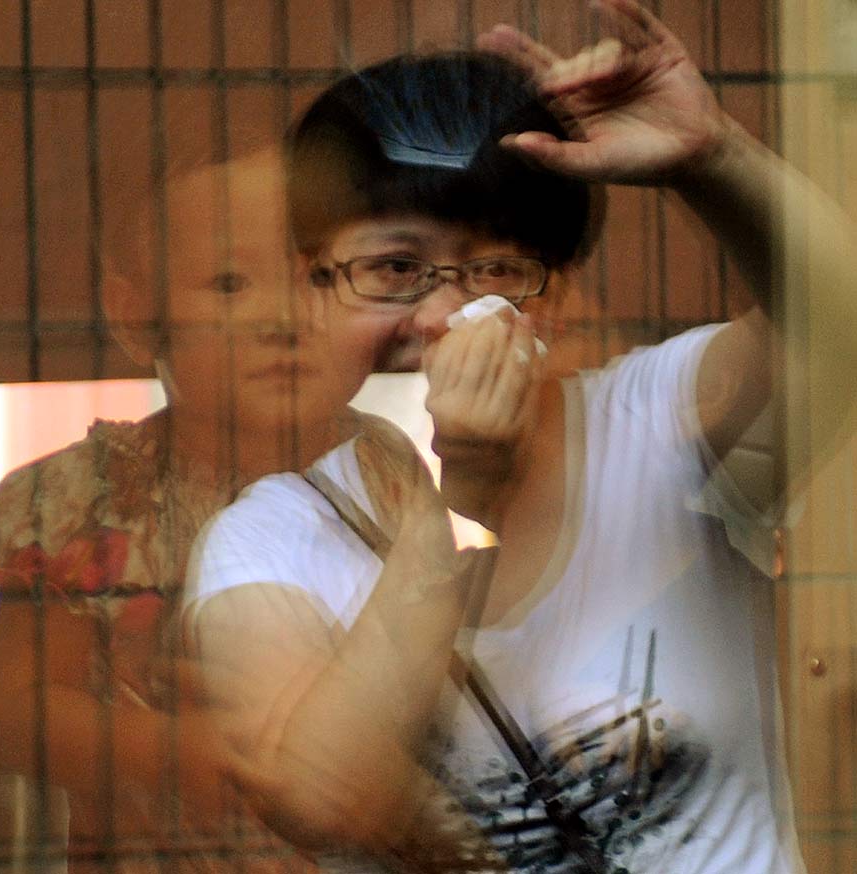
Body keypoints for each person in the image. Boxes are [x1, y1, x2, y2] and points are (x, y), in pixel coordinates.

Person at [186, 1, 856, 873]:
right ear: (315, 292)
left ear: (559, 299)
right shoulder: (268, 539)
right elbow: (322, 796)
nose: (438, 316)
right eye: (392, 269)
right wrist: (465, 492)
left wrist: (714, 157)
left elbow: (839, 325)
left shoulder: (662, 424)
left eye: (495, 272)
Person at [0, 145, 403, 873]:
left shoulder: (383, 469)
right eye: (232, 283)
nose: (285, 316)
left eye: (320, 278)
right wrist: (169, 750)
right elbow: (17, 714)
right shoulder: (75, 502)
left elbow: (422, 645)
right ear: (138, 315)